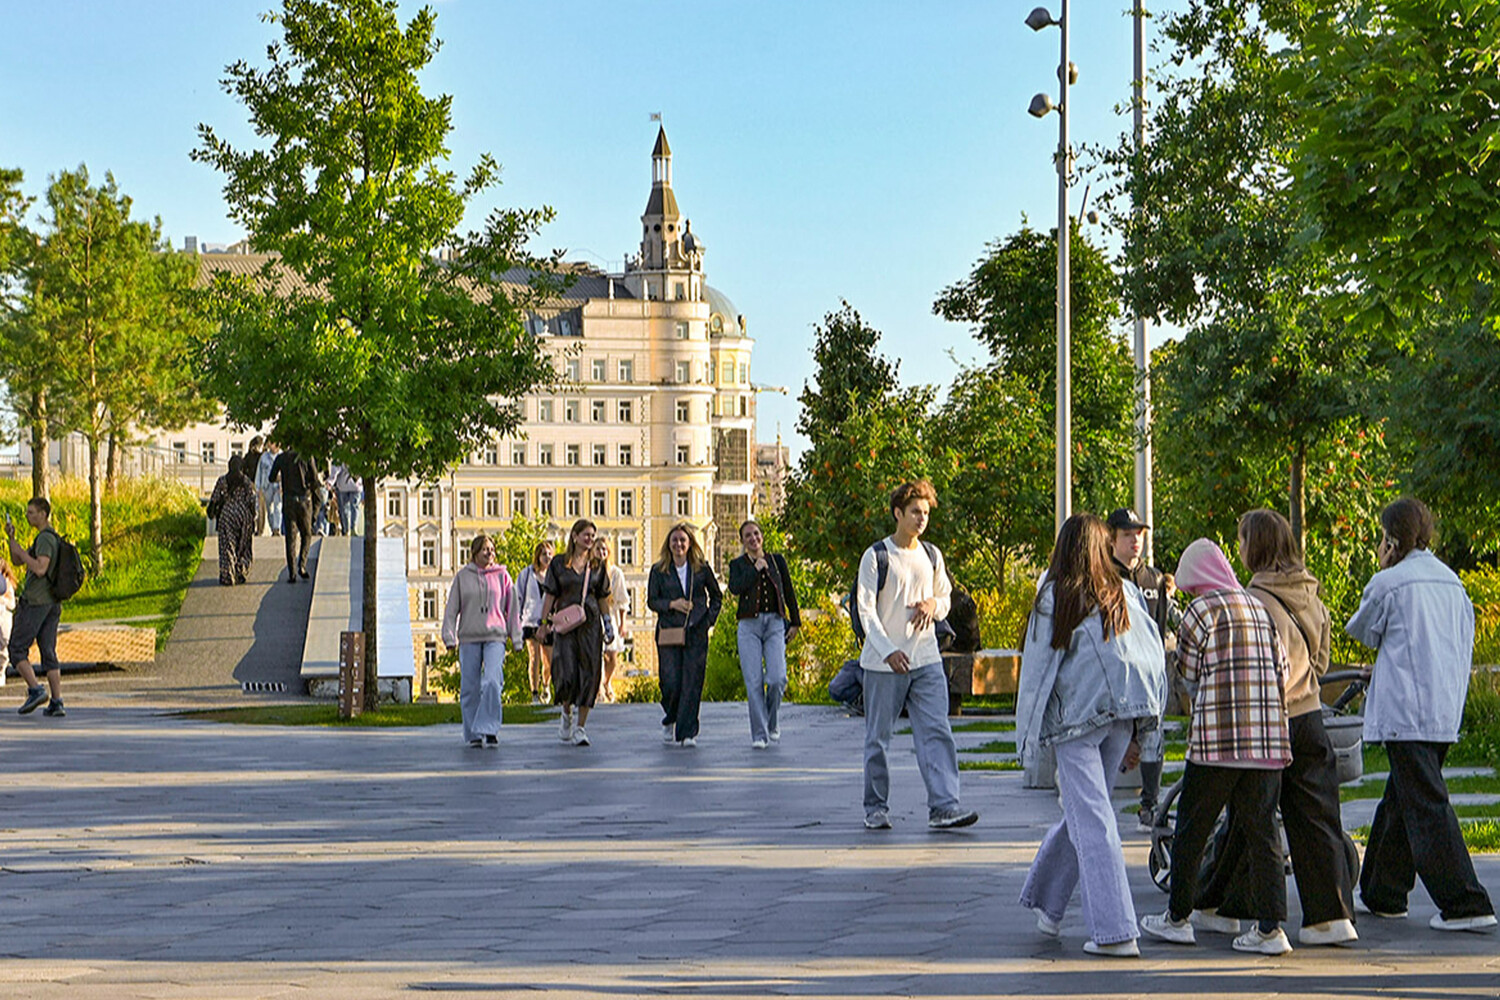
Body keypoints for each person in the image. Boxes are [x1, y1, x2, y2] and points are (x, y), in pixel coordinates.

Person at [1192, 509, 1357, 946]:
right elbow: (1320, 661)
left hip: (1269, 720)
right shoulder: (1310, 593)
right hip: (1312, 717)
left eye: (1243, 540)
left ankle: (1222, 904)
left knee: (1251, 815)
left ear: (1257, 547)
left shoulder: (1253, 599)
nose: (1238, 548)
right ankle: (1331, 917)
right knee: (1317, 818)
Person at [1016, 513, 1166, 958]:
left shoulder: (1054, 595)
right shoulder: (1124, 592)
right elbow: (1148, 657)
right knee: (1087, 810)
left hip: (1076, 720)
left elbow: (1038, 669)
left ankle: (1117, 931)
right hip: (1120, 716)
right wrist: (1143, 729)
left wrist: (1027, 735)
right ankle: (1048, 904)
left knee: (1093, 817)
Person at [1346, 497, 1496, 932]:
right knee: (1402, 800)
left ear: (1392, 539)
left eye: (1382, 538)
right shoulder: (1452, 582)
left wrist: (1382, 567)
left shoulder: (1390, 582)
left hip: (1405, 712)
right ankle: (1382, 892)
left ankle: (1466, 902)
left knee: (1425, 806)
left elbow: (1363, 629)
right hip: (1443, 708)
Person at [1140, 538, 1294, 955]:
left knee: (1193, 827)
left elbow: (1187, 670)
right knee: (1263, 833)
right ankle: (1269, 929)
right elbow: (1284, 669)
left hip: (1217, 741)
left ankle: (1177, 918)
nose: (1190, 594)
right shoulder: (1259, 609)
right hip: (1267, 740)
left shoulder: (1200, 612)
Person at [856, 480, 977, 831]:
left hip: (926, 660)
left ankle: (945, 807)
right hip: (884, 664)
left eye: (926, 513)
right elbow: (866, 611)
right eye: (915, 512)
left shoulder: (932, 555)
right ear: (898, 513)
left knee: (937, 731)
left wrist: (932, 605)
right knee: (878, 738)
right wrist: (888, 650)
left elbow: (945, 599)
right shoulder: (877, 556)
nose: (922, 519)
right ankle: (875, 807)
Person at [1106, 508, 1178, 832]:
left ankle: (1149, 805)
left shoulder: (1155, 579)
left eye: (1139, 534)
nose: (1135, 540)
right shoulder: (1104, 578)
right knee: (1113, 741)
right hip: (1114, 676)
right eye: (1127, 534)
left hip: (1148, 674)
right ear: (1111, 538)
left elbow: (1161, 627)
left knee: (1153, 736)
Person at [441, 534, 522, 749]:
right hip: (469, 637)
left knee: (493, 681)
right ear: (475, 552)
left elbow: (512, 609)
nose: (490, 553)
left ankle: (490, 727)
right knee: (470, 686)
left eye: (492, 549)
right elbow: (451, 609)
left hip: (495, 636)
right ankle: (473, 733)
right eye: (485, 549)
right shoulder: (462, 577)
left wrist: (517, 638)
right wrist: (449, 636)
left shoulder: (503, 576)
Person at [647, 523, 723, 747]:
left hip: (696, 631)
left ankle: (688, 732)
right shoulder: (659, 570)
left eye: (682, 540)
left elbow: (717, 596)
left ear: (689, 544)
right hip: (669, 631)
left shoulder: (700, 568)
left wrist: (708, 620)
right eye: (674, 540)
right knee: (670, 681)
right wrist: (672, 604)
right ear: (668, 544)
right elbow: (652, 601)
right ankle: (670, 716)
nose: (678, 544)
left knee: (692, 681)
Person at [538, 519, 612, 747]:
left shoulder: (597, 565)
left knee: (590, 672)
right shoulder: (560, 564)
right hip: (565, 624)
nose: (589, 539)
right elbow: (550, 594)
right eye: (585, 535)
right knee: (566, 670)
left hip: (590, 624)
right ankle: (566, 712)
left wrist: (608, 624)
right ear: (575, 536)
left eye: (592, 535)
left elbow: (602, 597)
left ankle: (581, 727)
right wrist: (542, 622)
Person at [727, 519, 801, 748]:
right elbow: (735, 588)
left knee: (778, 679)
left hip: (775, 624)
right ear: (743, 541)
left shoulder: (777, 561)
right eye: (748, 535)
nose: (753, 538)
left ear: (762, 537)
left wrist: (795, 622)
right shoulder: (738, 565)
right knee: (754, 682)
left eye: (756, 534)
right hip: (749, 626)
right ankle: (759, 735)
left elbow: (788, 590)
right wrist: (754, 569)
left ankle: (773, 721)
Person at [5, 497, 66, 717]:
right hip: (51, 604)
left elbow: (40, 568)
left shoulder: (46, 540)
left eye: (31, 512)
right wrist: (12, 539)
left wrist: (22, 554)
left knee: (16, 649)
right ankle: (57, 701)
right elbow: (18, 560)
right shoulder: (43, 538)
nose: (28, 516)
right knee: (48, 651)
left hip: (37, 603)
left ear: (43, 514)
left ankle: (35, 689)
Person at [269, 446, 321, 583]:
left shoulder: (281, 458)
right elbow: (315, 480)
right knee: (306, 534)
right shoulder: (307, 456)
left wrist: (283, 478)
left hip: (288, 501)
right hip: (304, 501)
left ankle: (292, 572)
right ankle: (302, 565)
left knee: (290, 538)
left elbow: (271, 477)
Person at [207, 455, 259, 586]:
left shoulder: (222, 481)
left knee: (227, 546)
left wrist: (211, 512)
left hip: (227, 515)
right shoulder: (246, 481)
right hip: (243, 515)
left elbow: (214, 499)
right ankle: (241, 570)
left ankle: (228, 574)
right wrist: (253, 517)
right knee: (244, 546)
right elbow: (252, 500)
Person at [517, 541, 554, 703]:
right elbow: (518, 596)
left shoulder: (553, 576)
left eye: (549, 554)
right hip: (530, 620)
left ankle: (546, 685)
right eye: (544, 554)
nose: (547, 557)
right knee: (534, 657)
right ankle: (534, 693)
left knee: (549, 659)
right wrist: (517, 620)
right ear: (538, 556)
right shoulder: (527, 574)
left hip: (548, 622)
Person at [595, 536, 629, 703]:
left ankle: (607, 682)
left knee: (612, 655)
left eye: (604, 549)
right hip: (594, 617)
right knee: (597, 654)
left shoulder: (616, 573)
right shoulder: (589, 572)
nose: (601, 552)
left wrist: (623, 623)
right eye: (598, 549)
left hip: (612, 616)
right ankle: (599, 687)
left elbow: (623, 600)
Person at [256, 440, 282, 537]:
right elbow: (259, 473)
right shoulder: (264, 457)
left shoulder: (281, 455)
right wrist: (258, 488)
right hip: (267, 486)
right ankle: (273, 527)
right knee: (269, 508)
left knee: (278, 506)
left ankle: (276, 528)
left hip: (278, 485)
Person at [243, 436, 267, 536]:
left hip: (253, 483)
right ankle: (259, 529)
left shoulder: (249, 456)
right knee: (260, 508)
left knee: (257, 507)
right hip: (257, 484)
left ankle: (258, 529)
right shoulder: (260, 456)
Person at [0, 558, 16, 688]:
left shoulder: (7, 585)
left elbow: (12, 604)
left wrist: (3, 600)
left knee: (4, 645)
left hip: (4, 618)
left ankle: (1, 672)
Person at [332, 463, 361, 536]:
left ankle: (347, 529)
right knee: (354, 507)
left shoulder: (340, 454)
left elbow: (336, 469)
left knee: (344, 509)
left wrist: (331, 481)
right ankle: (353, 528)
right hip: (355, 485)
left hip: (343, 485)